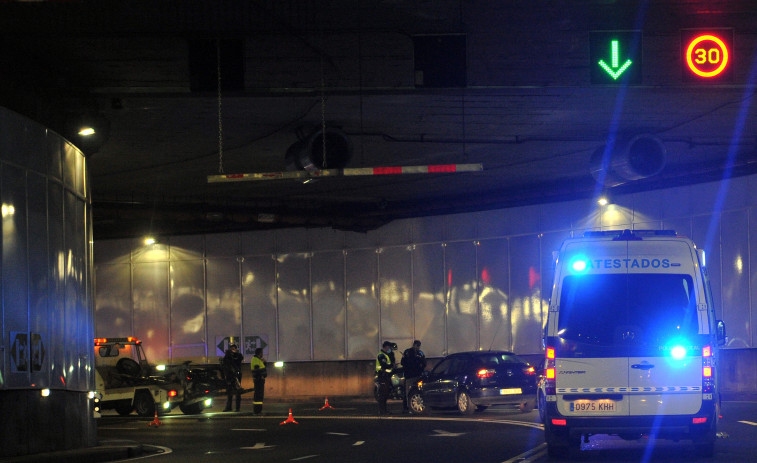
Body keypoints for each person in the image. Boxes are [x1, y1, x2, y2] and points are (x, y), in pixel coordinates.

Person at [401, 340, 426, 412]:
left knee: (415, 392)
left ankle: (411, 407)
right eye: (417, 345)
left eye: (419, 346)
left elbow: (424, 363)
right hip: (410, 376)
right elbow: (403, 362)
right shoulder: (408, 352)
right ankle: (407, 408)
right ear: (414, 345)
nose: (418, 347)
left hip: (416, 375)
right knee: (408, 392)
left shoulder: (419, 353)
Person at [222, 343, 243, 412]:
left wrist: (233, 355)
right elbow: (225, 362)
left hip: (237, 375)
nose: (232, 350)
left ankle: (237, 408)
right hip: (230, 375)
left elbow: (240, 358)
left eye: (234, 349)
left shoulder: (238, 355)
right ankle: (229, 407)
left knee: (237, 391)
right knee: (229, 391)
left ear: (236, 349)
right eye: (231, 349)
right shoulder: (228, 357)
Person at [375, 341, 394, 415]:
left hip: (386, 376)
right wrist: (391, 365)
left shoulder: (386, 355)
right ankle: (382, 411)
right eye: (389, 347)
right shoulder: (381, 355)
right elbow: (384, 365)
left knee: (385, 394)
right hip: (382, 376)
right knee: (383, 394)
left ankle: (384, 410)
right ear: (386, 347)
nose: (389, 348)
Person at [250, 347, 267, 414]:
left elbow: (263, 368)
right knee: (258, 395)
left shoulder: (258, 360)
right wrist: (261, 376)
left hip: (260, 379)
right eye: (262, 353)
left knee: (259, 395)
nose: (262, 354)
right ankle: (257, 411)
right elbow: (257, 371)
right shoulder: (255, 360)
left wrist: (264, 363)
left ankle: (258, 410)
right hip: (258, 380)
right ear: (260, 353)